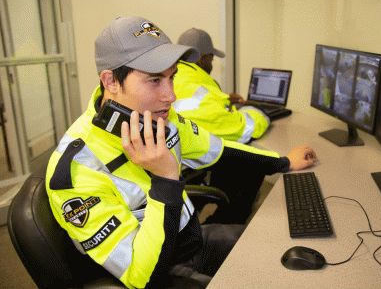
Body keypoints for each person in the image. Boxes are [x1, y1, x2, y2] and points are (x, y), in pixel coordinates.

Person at [45, 16, 317, 288]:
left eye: (171, 77)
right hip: (162, 273)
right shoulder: (76, 170)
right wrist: (165, 178)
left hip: (189, 242)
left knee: (275, 250)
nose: (171, 96)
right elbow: (143, 276)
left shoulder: (158, 118)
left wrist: (283, 163)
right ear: (111, 81)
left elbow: (218, 149)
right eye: (154, 80)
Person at [173, 28, 269, 143]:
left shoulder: (171, 78)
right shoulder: (203, 99)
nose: (211, 65)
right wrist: (258, 110)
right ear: (202, 59)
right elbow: (246, 129)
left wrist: (223, 100)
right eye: (211, 60)